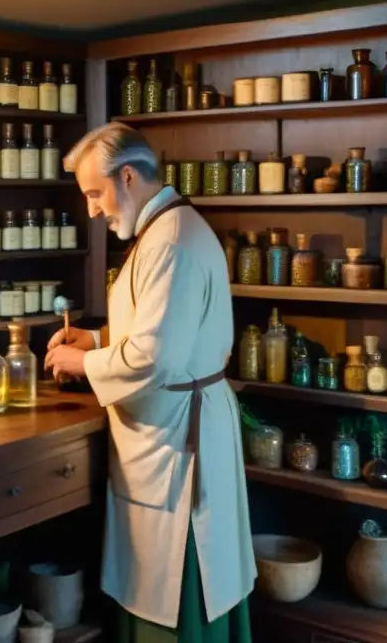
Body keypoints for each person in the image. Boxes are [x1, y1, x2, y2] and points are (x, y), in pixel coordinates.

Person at [44, 122, 255, 642]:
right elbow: (160, 327)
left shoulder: (169, 243)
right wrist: (95, 342)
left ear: (129, 177)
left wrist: (79, 364)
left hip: (178, 443)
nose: (93, 208)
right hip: (174, 428)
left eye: (96, 193)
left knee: (176, 580)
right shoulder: (165, 230)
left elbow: (156, 358)